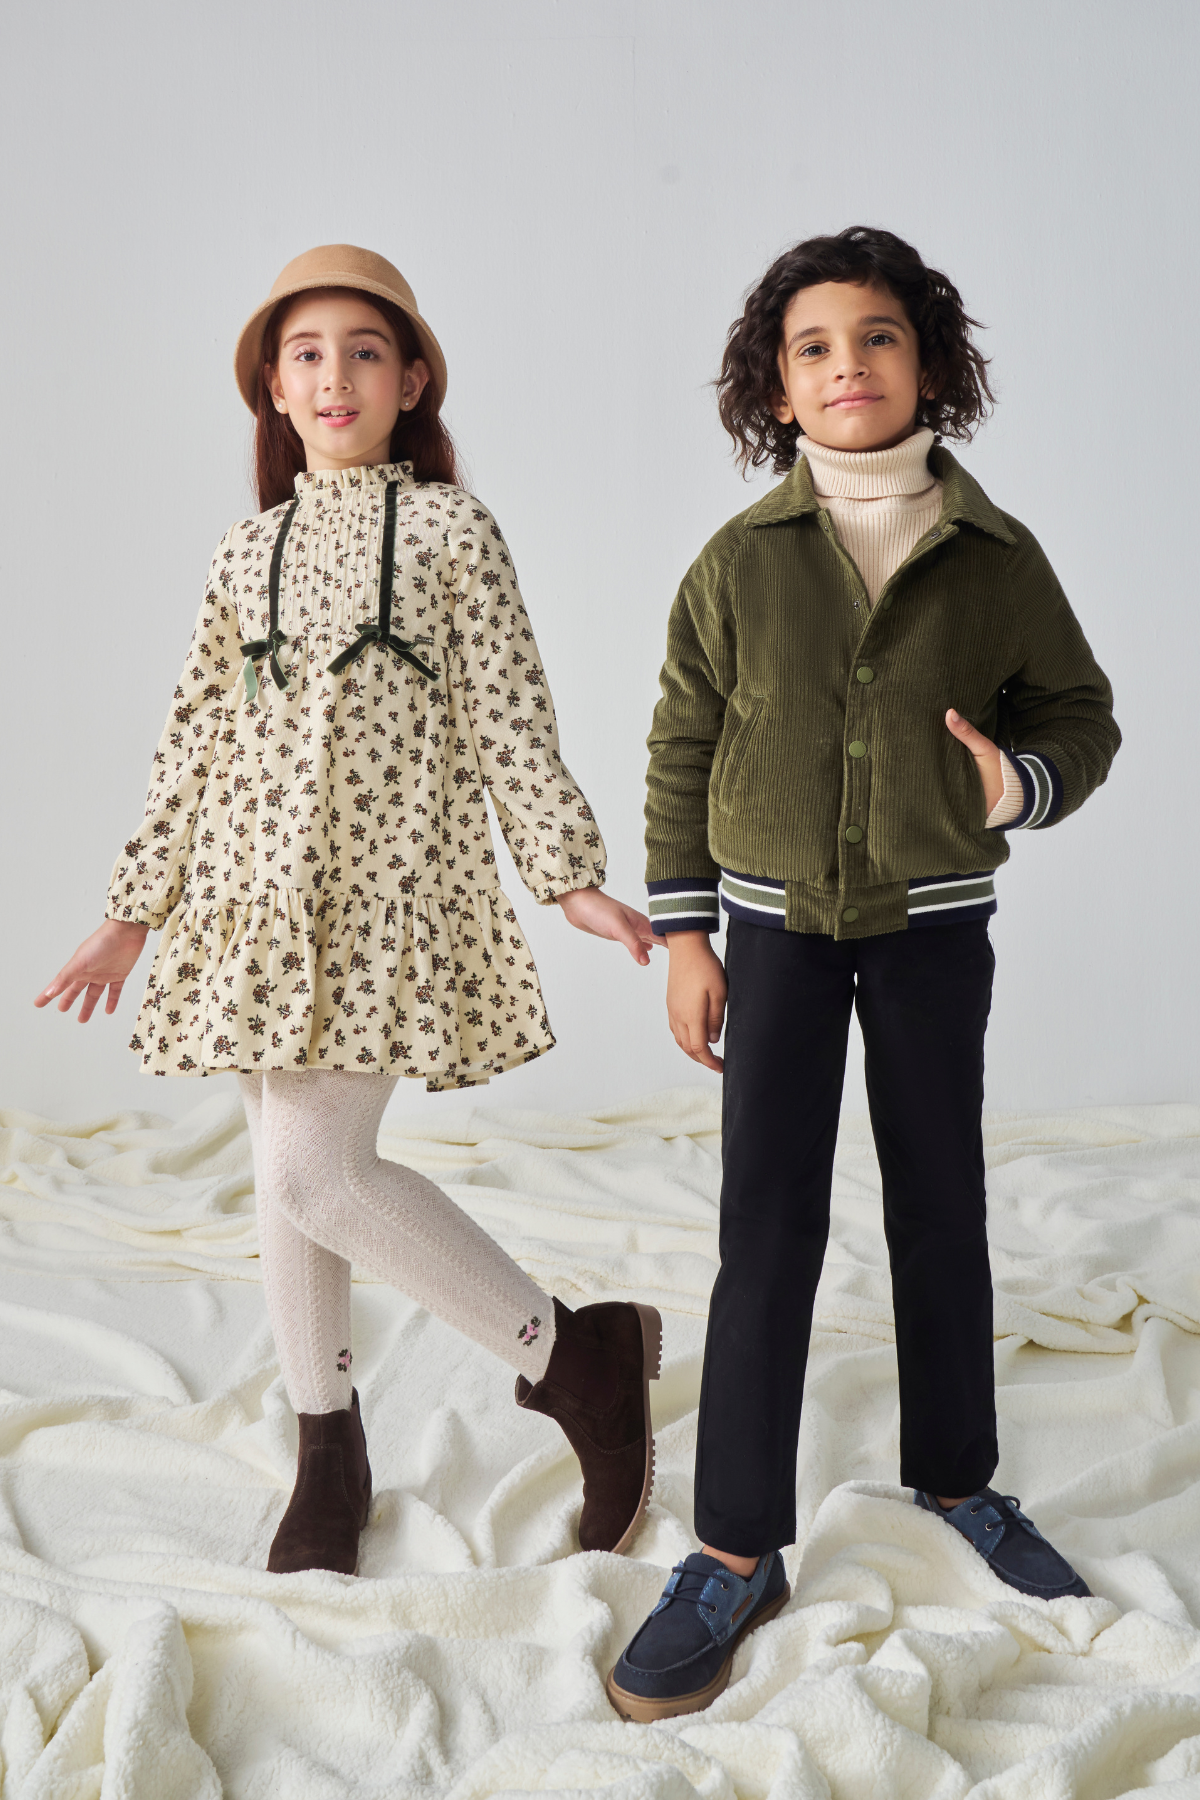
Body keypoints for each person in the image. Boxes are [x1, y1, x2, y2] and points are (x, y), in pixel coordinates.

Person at [36, 244, 663, 1578]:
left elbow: (508, 712)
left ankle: (575, 1359)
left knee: (316, 1173)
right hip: (247, 901)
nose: (335, 376)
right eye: (307, 354)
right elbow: (194, 734)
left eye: (365, 352)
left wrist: (568, 876)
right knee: (283, 1167)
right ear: (273, 387)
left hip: (383, 893)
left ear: (412, 380)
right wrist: (134, 909)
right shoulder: (241, 552)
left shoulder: (449, 531)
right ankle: (328, 1446)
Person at [607, 225, 1120, 1722]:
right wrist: (686, 934)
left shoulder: (997, 560)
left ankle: (960, 1480)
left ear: (929, 364)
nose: (849, 366)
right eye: (816, 346)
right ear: (778, 386)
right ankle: (733, 1547)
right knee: (763, 1219)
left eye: (879, 337)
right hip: (770, 930)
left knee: (939, 1198)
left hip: (933, 928)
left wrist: (1017, 783)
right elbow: (682, 743)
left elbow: (1081, 714)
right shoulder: (739, 563)